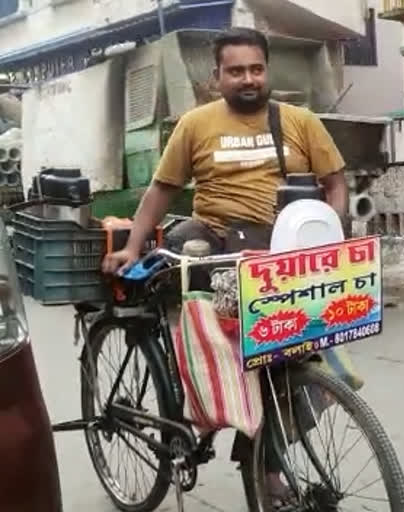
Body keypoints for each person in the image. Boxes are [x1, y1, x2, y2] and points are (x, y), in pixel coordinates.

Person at [101, 26, 350, 507]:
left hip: (280, 244)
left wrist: (330, 229)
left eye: (256, 69)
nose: (248, 79)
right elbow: (161, 191)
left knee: (307, 357)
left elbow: (335, 182)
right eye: (236, 71)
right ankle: (197, 392)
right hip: (213, 235)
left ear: (267, 71)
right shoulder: (195, 124)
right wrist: (133, 246)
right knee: (193, 272)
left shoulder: (300, 122)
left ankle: (262, 455)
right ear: (217, 77)